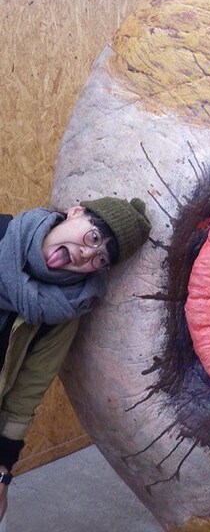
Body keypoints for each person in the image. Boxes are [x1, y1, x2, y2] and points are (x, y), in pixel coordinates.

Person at [0, 196, 151, 524]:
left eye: (101, 259)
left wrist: (3, 472)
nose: (86, 254)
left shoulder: (66, 310)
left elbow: (26, 393)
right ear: (76, 212)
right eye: (93, 237)